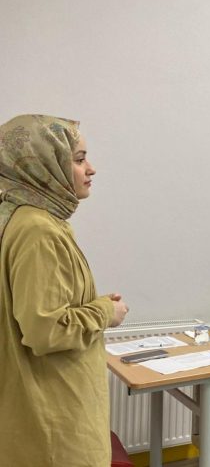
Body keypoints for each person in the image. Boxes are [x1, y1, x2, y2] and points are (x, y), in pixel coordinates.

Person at [0, 114, 130, 466]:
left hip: (36, 410)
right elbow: (46, 330)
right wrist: (106, 312)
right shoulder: (37, 230)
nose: (91, 169)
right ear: (43, 164)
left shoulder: (19, 217)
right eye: (79, 159)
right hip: (54, 421)